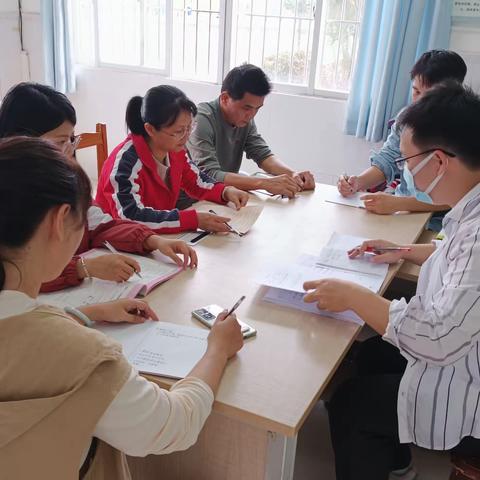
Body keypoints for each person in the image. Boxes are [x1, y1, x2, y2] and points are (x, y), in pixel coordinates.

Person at [0, 136, 244, 479]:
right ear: (59, 221)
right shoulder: (81, 355)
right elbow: (173, 425)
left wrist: (89, 313)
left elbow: (17, 334)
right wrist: (217, 350)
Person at [304, 82, 480, 480]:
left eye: (406, 161)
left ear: (439, 161)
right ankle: (397, 463)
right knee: (369, 356)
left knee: (351, 405)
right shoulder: (470, 207)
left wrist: (353, 295)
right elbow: (454, 257)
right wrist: (400, 251)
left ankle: (382, 447)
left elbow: (436, 339)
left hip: (468, 386)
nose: (403, 171)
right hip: (461, 350)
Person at [0, 82, 197, 293]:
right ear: (22, 140)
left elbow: (100, 224)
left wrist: (152, 240)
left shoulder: (64, 181)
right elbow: (12, 272)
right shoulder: (11, 194)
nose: (68, 151)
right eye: (60, 142)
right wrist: (82, 267)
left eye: (71, 140)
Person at [337, 50, 467, 231]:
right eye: (416, 92)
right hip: (400, 211)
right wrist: (357, 182)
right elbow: (388, 159)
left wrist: (400, 204)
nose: (420, 102)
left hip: (442, 224)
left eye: (430, 95)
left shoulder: (465, 129)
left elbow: (459, 197)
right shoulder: (406, 119)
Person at [96, 85, 249, 234]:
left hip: (155, 237)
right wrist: (193, 220)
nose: (187, 136)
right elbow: (131, 216)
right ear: (150, 129)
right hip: (114, 244)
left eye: (190, 127)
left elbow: (195, 180)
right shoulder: (125, 164)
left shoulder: (175, 150)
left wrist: (225, 191)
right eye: (179, 131)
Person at [187, 64, 315, 198]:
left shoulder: (243, 120)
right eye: (246, 108)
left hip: (222, 196)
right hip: (192, 202)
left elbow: (263, 155)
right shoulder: (200, 120)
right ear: (225, 98)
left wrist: (293, 175)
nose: (252, 115)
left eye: (257, 108)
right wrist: (265, 183)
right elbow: (210, 175)